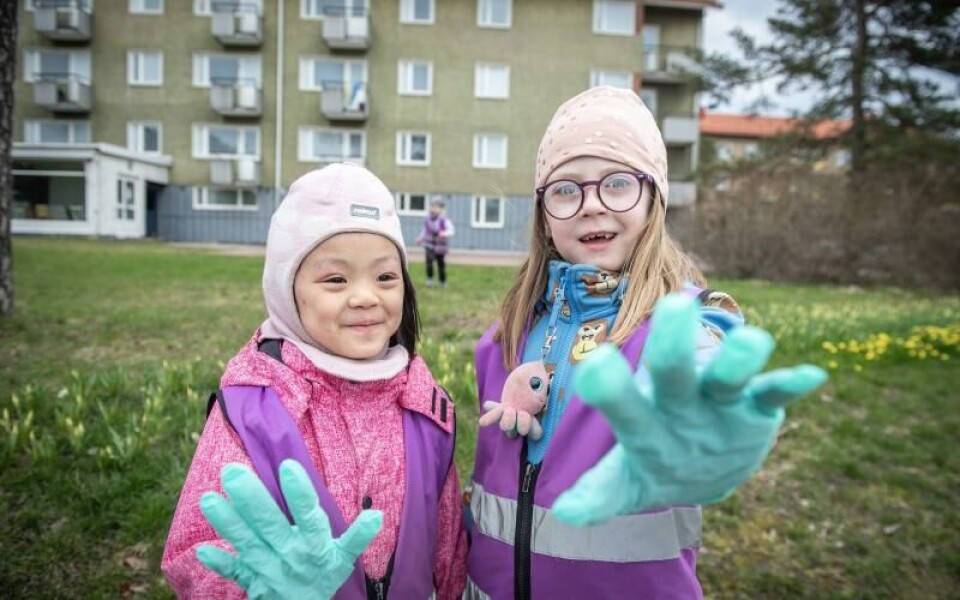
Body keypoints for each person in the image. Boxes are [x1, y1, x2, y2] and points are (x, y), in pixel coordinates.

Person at [467, 86, 827, 599]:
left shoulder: (686, 325)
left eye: (616, 184)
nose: (591, 206)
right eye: (566, 189)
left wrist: (708, 425)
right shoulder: (505, 336)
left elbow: (703, 375)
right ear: (544, 212)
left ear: (654, 197)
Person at [162, 163, 467, 599]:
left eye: (385, 276)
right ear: (288, 292)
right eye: (336, 279)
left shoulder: (425, 405)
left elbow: (449, 541)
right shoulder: (254, 410)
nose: (365, 297)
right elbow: (197, 547)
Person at [416, 197, 455, 288]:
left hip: (440, 247)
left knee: (441, 264)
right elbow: (425, 231)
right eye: (433, 206)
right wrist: (420, 238)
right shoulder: (427, 219)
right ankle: (429, 279)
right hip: (429, 244)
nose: (434, 209)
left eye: (437, 207)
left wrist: (444, 233)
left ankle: (443, 281)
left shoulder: (444, 221)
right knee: (429, 262)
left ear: (441, 209)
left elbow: (451, 231)